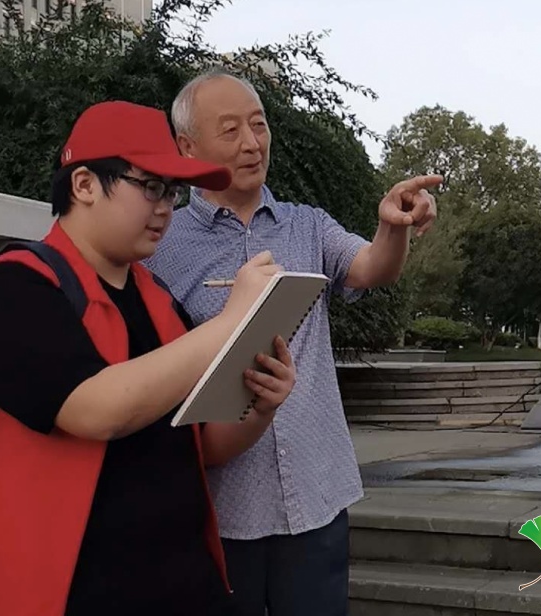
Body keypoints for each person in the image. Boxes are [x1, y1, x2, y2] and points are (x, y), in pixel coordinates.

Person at [0, 100, 297, 616]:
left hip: (182, 586)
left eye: (171, 192)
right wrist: (230, 324)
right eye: (150, 186)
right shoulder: (11, 288)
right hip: (52, 595)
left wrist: (260, 406)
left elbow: (203, 444)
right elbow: (96, 409)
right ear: (84, 184)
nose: (165, 208)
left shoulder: (160, 301)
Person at [143, 70, 442, 616]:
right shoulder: (161, 245)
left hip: (316, 496)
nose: (252, 143)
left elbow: (371, 267)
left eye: (259, 125)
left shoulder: (307, 225)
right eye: (230, 130)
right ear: (187, 146)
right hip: (219, 508)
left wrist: (393, 226)